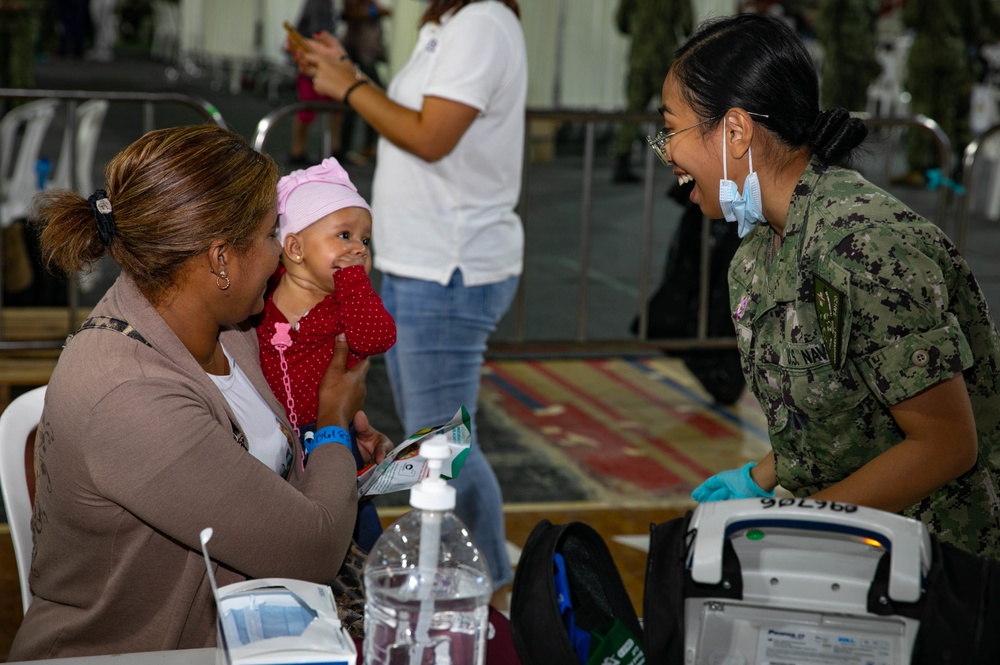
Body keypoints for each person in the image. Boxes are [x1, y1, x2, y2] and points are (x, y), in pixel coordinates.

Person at [8, 124, 393, 660]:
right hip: (145, 653)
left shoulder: (217, 325)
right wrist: (333, 420)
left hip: (236, 622)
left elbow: (261, 470)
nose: (279, 257)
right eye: (267, 237)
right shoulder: (131, 397)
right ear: (219, 259)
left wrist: (327, 448)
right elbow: (311, 553)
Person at [651, 13, 1000, 558]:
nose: (667, 153)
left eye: (672, 130)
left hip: (935, 564)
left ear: (736, 131)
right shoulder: (760, 250)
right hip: (855, 549)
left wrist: (803, 525)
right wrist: (761, 476)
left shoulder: (862, 245)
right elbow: (840, 397)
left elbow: (945, 446)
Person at [296, 0, 527, 605]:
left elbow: (431, 136)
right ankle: (487, 581)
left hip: (447, 268)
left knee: (442, 448)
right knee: (438, 444)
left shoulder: (482, 22)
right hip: (416, 261)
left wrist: (351, 86)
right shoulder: (444, 27)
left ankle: (494, 592)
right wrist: (347, 70)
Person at [257, 157, 396, 551]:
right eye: (345, 236)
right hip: (267, 444)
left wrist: (352, 280)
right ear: (295, 248)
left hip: (330, 438)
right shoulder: (262, 293)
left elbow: (377, 338)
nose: (359, 249)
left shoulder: (348, 305)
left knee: (349, 536)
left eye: (366, 241)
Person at [612, 0, 693, 184]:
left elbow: (620, 22)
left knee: (633, 111)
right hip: (663, 60)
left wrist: (639, 28)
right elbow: (687, 25)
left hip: (639, 58)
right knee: (675, 113)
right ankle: (686, 165)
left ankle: (622, 162)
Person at [288, 0, 345, 168]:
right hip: (313, 61)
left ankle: (333, 148)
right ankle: (297, 151)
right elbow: (317, 33)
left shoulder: (328, 3)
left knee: (332, 105)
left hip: (317, 60)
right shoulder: (319, 3)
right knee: (308, 107)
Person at [340, 0, 390, 164]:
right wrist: (375, 12)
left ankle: (367, 147)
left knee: (375, 99)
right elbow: (351, 12)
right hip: (358, 56)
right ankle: (345, 149)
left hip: (367, 55)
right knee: (354, 102)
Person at [814, 0, 880, 111]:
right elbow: (824, 21)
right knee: (833, 109)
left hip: (862, 61)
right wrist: (832, 50)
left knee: (858, 112)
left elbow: (871, 25)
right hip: (840, 60)